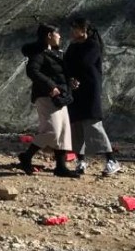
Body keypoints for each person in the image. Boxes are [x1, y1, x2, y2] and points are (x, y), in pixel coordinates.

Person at [18, 23, 80, 178]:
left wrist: (70, 81)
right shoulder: (39, 53)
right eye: (57, 33)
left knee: (63, 132)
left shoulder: (56, 52)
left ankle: (60, 167)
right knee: (52, 131)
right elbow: (32, 71)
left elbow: (59, 73)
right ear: (49, 36)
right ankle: (26, 156)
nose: (60, 36)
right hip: (46, 96)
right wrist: (50, 86)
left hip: (61, 96)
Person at [63, 16, 120, 176]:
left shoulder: (92, 45)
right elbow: (66, 65)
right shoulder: (73, 47)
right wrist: (70, 79)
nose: (72, 31)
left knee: (93, 126)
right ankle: (80, 161)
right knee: (76, 127)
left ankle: (111, 159)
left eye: (75, 28)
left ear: (84, 30)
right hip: (75, 91)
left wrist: (72, 73)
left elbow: (84, 63)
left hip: (89, 91)